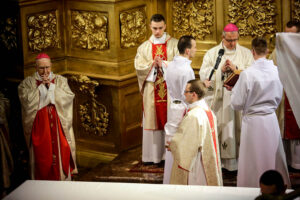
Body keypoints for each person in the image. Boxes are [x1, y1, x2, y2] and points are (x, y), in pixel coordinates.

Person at [231, 37, 290, 187]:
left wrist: (234, 90)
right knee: (272, 156)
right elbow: (279, 97)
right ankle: (277, 187)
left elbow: (237, 103)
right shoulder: (277, 71)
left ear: (252, 52)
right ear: (268, 51)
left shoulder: (247, 74)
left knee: (253, 159)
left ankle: (251, 187)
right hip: (270, 119)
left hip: (253, 122)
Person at [199, 23, 253, 171]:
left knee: (237, 129)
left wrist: (237, 70)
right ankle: (222, 163)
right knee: (223, 129)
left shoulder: (246, 53)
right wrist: (219, 71)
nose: (232, 43)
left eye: (235, 39)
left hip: (239, 102)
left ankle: (239, 162)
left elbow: (252, 74)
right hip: (220, 101)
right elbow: (204, 75)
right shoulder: (212, 53)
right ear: (223, 37)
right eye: (229, 40)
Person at [18, 53, 77, 180]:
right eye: (41, 68)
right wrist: (41, 89)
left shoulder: (61, 80)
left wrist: (52, 88)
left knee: (62, 149)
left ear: (51, 66)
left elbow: (68, 97)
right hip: (40, 127)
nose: (45, 71)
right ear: (36, 67)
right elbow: (26, 102)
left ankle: (62, 180)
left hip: (58, 125)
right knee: (42, 156)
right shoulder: (27, 83)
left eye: (47, 67)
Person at [134, 14, 178, 164]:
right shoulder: (144, 47)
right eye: (154, 28)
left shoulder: (175, 45)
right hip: (151, 90)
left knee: (170, 119)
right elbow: (139, 68)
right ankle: (153, 156)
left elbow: (181, 66)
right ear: (150, 27)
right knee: (153, 121)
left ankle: (169, 156)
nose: (157, 31)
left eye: (160, 28)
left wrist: (164, 64)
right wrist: (152, 64)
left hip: (170, 91)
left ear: (165, 26)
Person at [168, 80, 222, 186]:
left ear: (194, 94)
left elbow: (187, 145)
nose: (184, 94)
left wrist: (172, 143)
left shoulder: (194, 115)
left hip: (196, 164)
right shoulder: (208, 111)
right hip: (205, 159)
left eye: (186, 91)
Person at [163, 35, 196, 184]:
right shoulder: (187, 69)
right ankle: (181, 179)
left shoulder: (171, 65)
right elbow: (188, 95)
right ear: (188, 51)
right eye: (194, 47)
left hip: (172, 107)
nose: (196, 50)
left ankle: (169, 177)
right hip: (183, 109)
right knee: (181, 144)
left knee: (172, 141)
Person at [270, 20, 300, 171]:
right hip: (282, 94)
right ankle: (287, 163)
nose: (288, 39)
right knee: (283, 128)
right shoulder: (278, 51)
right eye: (286, 35)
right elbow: (271, 68)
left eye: (292, 35)